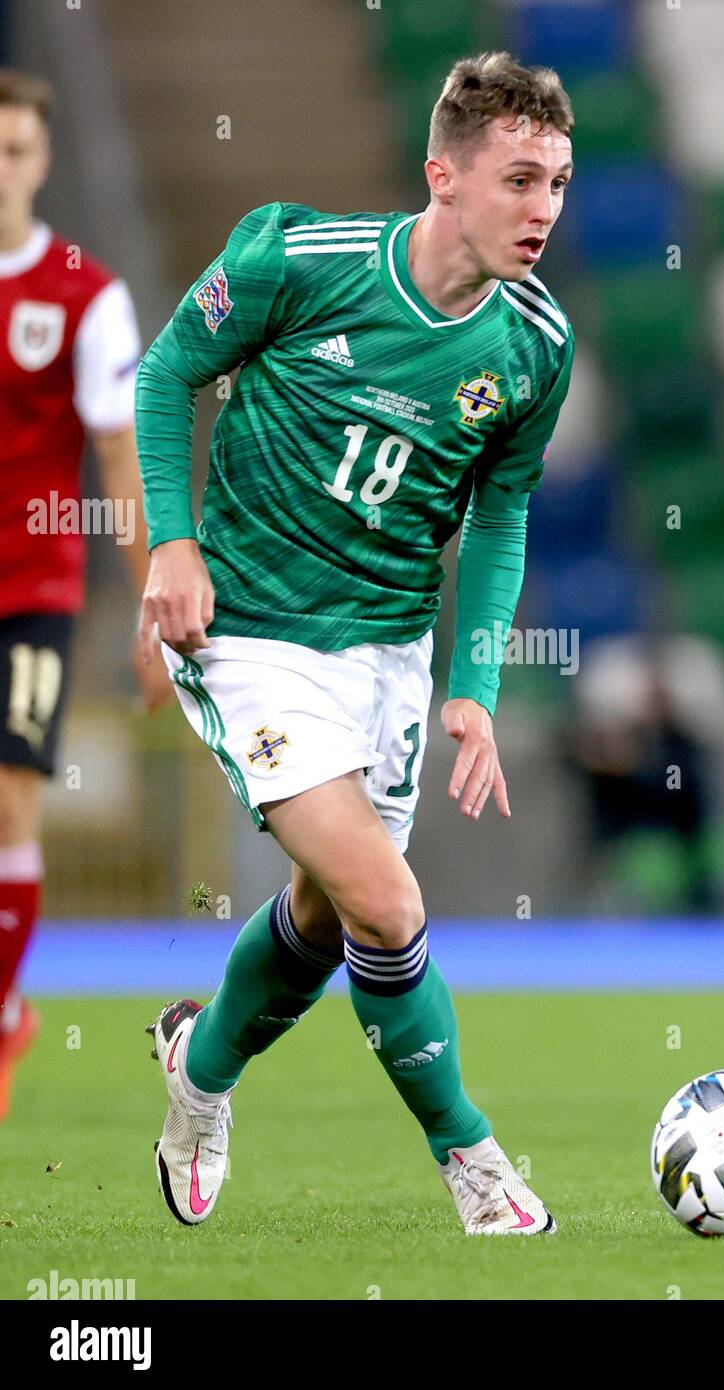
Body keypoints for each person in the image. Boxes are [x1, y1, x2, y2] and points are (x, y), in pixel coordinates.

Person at [136, 52, 575, 1234]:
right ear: (443, 174)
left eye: (559, 184)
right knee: (386, 903)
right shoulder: (296, 259)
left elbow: (500, 511)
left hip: (386, 659)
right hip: (252, 636)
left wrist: (471, 685)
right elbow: (171, 369)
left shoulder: (533, 347)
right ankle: (472, 1162)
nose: (542, 210)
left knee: (330, 919)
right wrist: (170, 546)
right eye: (519, 179)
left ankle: (201, 1070)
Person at [0, 70, 167, 1121]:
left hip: (30, 586)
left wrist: (153, 600)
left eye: (15, 150)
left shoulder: (83, 293)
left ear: (43, 159)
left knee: (10, 798)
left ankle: (5, 1008)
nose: (0, 169)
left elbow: (120, 457)